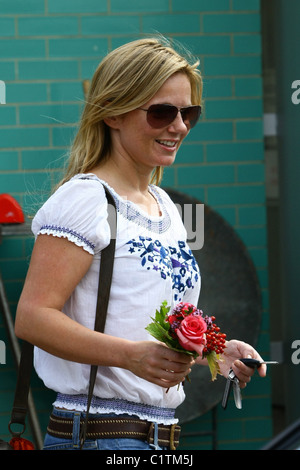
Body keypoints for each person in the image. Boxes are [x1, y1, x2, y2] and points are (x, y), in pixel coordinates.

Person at [15, 37, 266, 451]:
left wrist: (216, 354)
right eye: (162, 112)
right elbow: (32, 316)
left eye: (189, 113)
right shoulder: (86, 198)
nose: (179, 126)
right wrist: (129, 356)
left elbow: (146, 320)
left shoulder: (162, 204)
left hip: (158, 435)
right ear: (113, 113)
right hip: (98, 434)